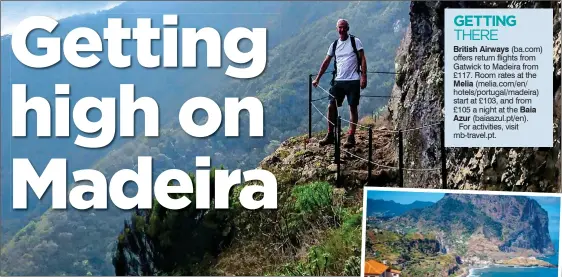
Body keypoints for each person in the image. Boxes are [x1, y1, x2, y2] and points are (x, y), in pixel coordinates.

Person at [312, 19, 367, 148]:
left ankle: (351, 136)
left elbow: (363, 59)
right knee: (331, 106)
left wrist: (364, 77)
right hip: (338, 80)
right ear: (337, 29)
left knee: (352, 107)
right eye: (339, 28)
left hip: (353, 80)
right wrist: (317, 78)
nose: (341, 30)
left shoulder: (355, 42)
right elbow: (326, 62)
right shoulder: (334, 45)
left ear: (348, 28)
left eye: (344, 27)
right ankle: (330, 134)